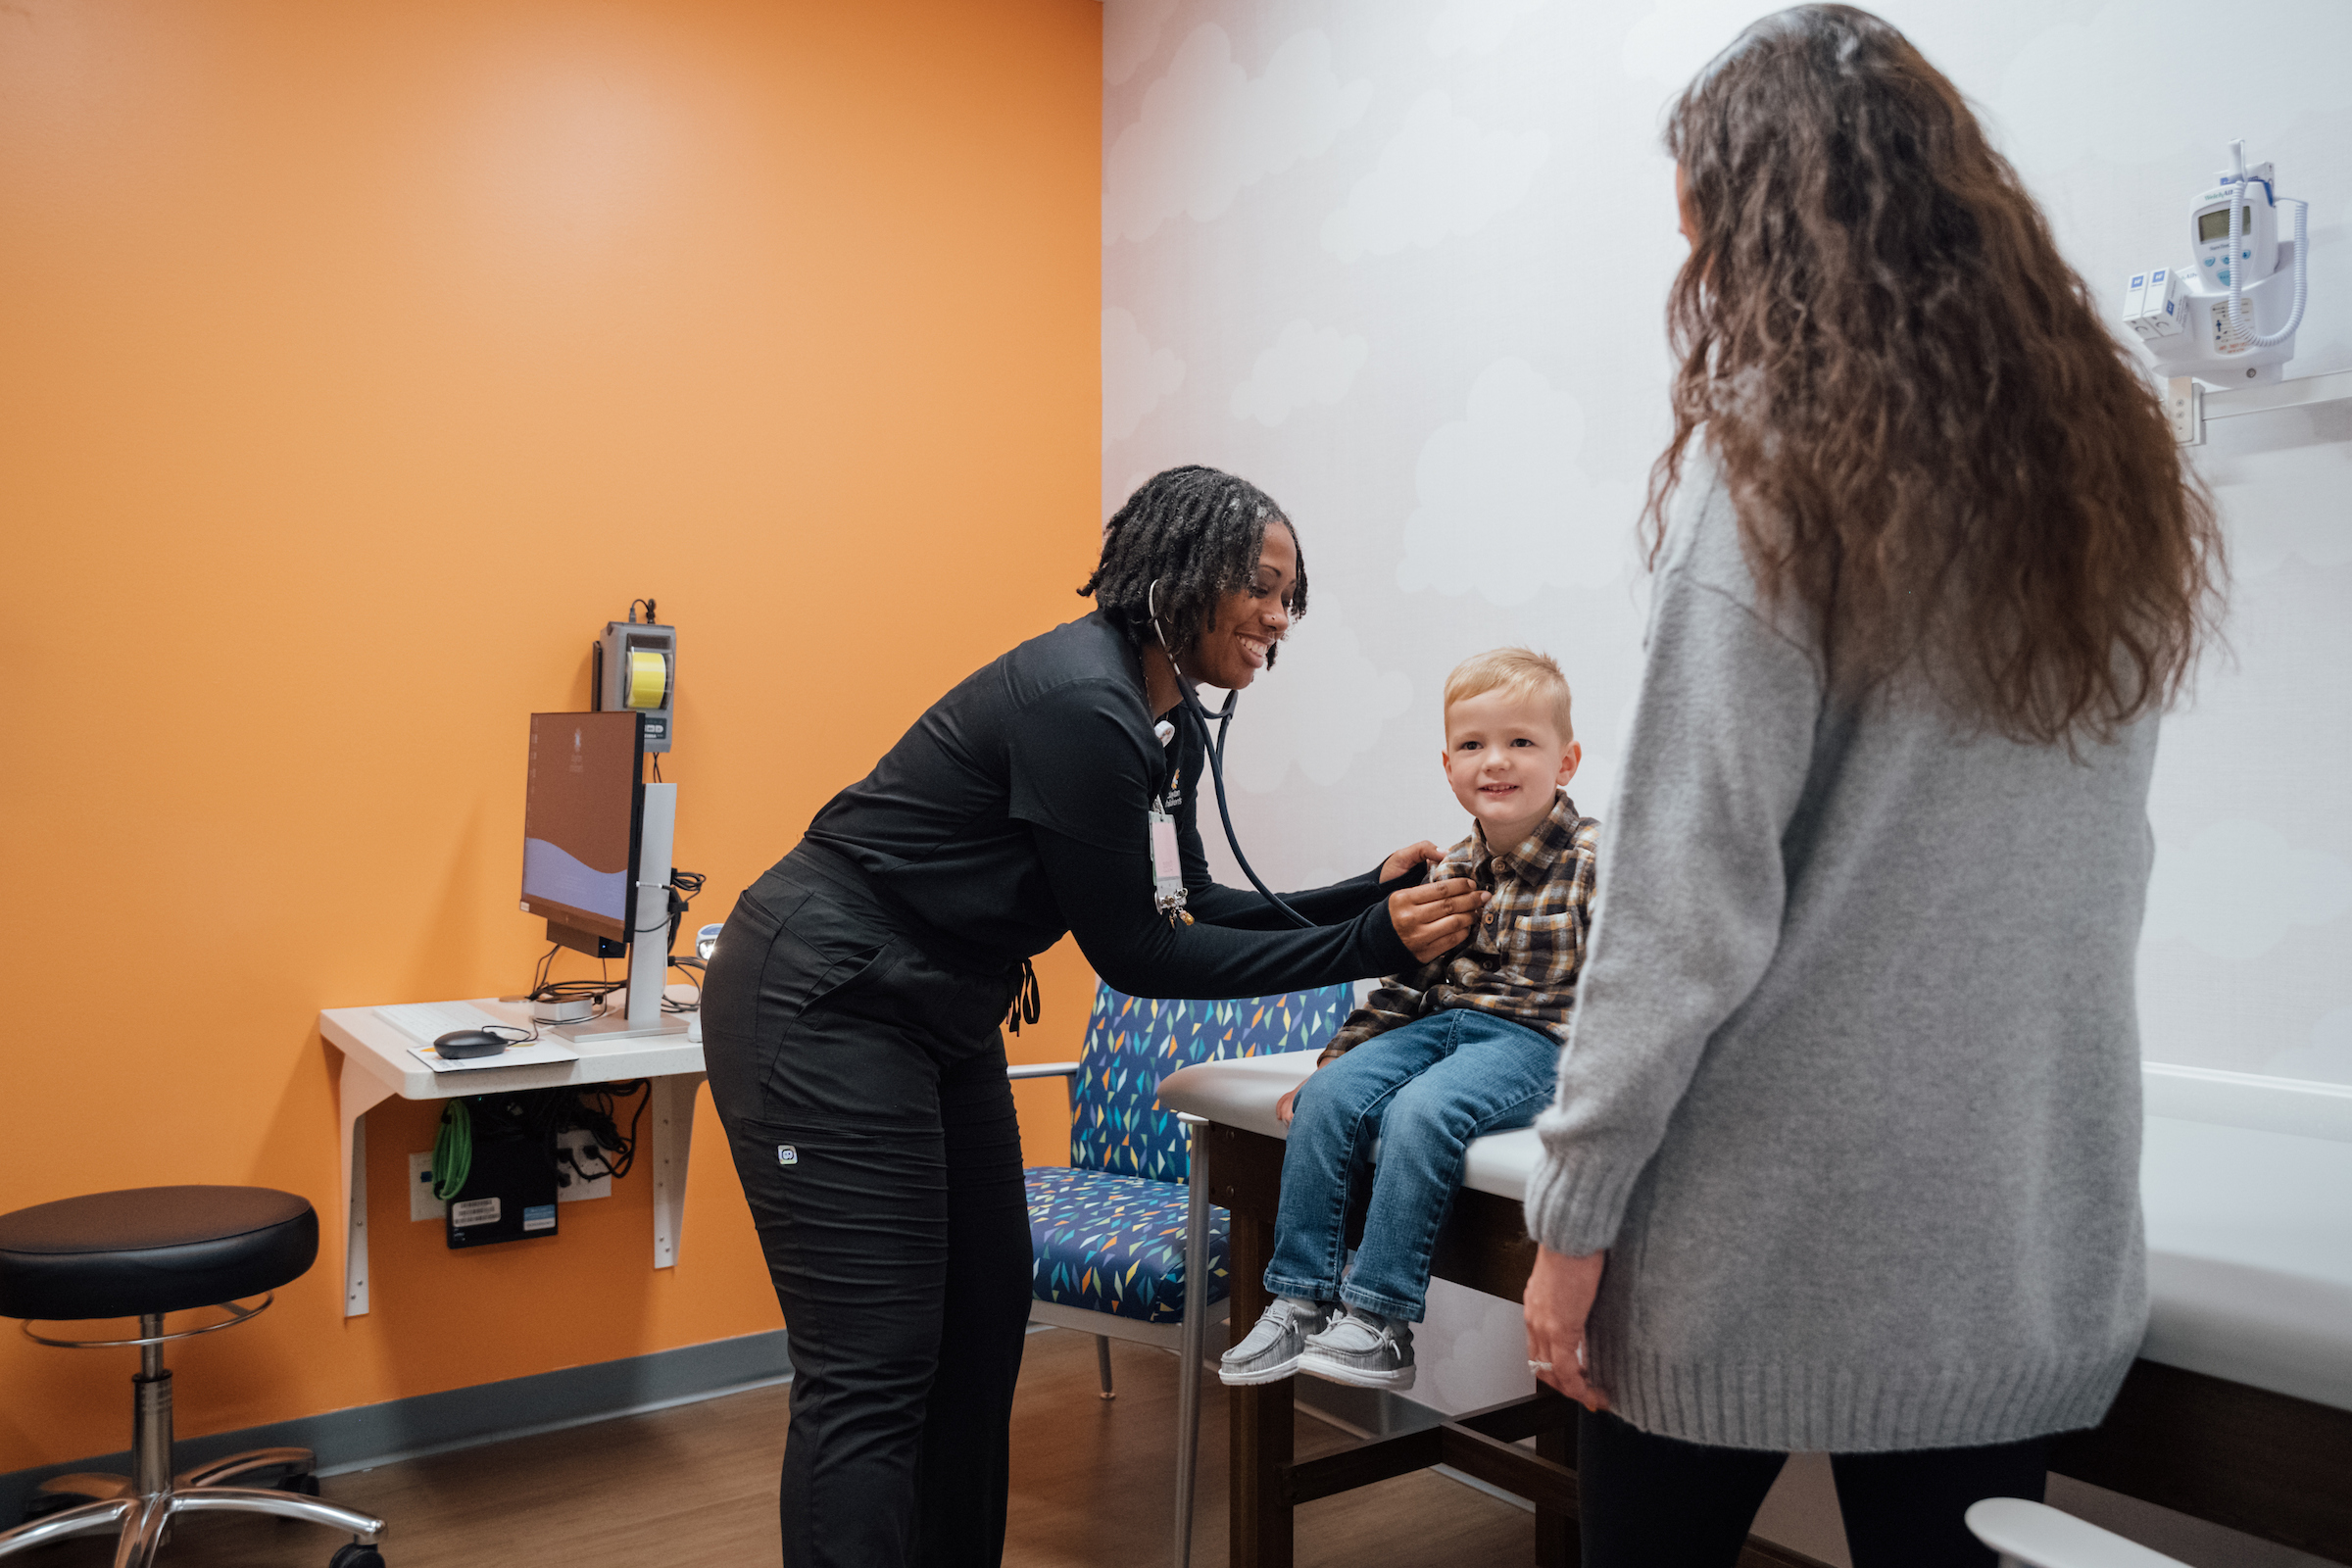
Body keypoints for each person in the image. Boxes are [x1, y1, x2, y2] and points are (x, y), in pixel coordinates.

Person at [1516, 9, 2224, 1567]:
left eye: (1695, 204)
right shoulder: (2112, 475)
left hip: (1755, 1228)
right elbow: (2104, 867)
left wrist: (1571, 1220)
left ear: (1757, 215)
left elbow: (1679, 897)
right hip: (2014, 1215)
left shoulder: (1770, 458)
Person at [700, 465, 1490, 1568]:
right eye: (1262, 587)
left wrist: (1367, 891)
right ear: (1182, 570)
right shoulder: (1084, 704)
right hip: (825, 999)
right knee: (873, 1364)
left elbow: (1191, 903)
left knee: (979, 1338)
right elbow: (1138, 953)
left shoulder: (1159, 723)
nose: (1279, 618)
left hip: (942, 1012)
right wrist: (1374, 943)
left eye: (1290, 597)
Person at [1220, 648, 1600, 1393]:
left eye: (1521, 741)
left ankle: (1380, 1321)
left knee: (1424, 1111)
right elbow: (1406, 984)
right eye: (1473, 745)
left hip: (1541, 1043)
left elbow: (1627, 990)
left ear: (1566, 761)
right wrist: (1340, 1063)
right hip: (1446, 1025)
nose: (1496, 760)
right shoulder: (1454, 864)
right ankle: (1300, 1297)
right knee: (1328, 1100)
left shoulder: (1592, 859)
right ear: (1449, 765)